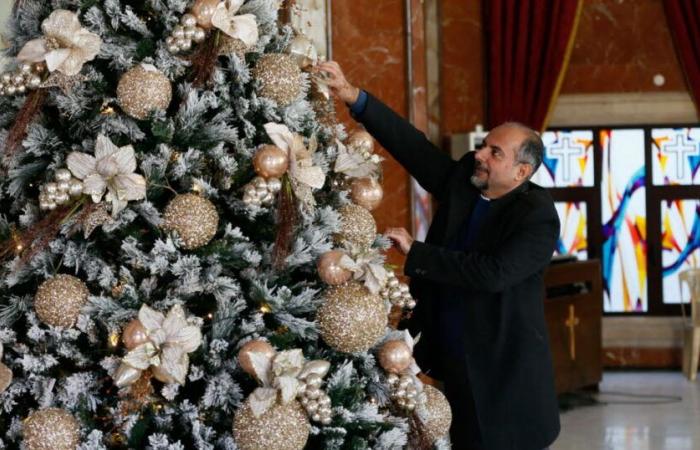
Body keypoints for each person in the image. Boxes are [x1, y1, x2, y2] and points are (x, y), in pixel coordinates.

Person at [318, 61, 561, 450]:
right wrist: (355, 98)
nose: (480, 154)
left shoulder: (537, 216)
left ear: (521, 172)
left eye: (494, 152)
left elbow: (492, 274)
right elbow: (414, 149)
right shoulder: (467, 179)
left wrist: (418, 252)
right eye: (484, 145)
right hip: (451, 359)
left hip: (504, 370)